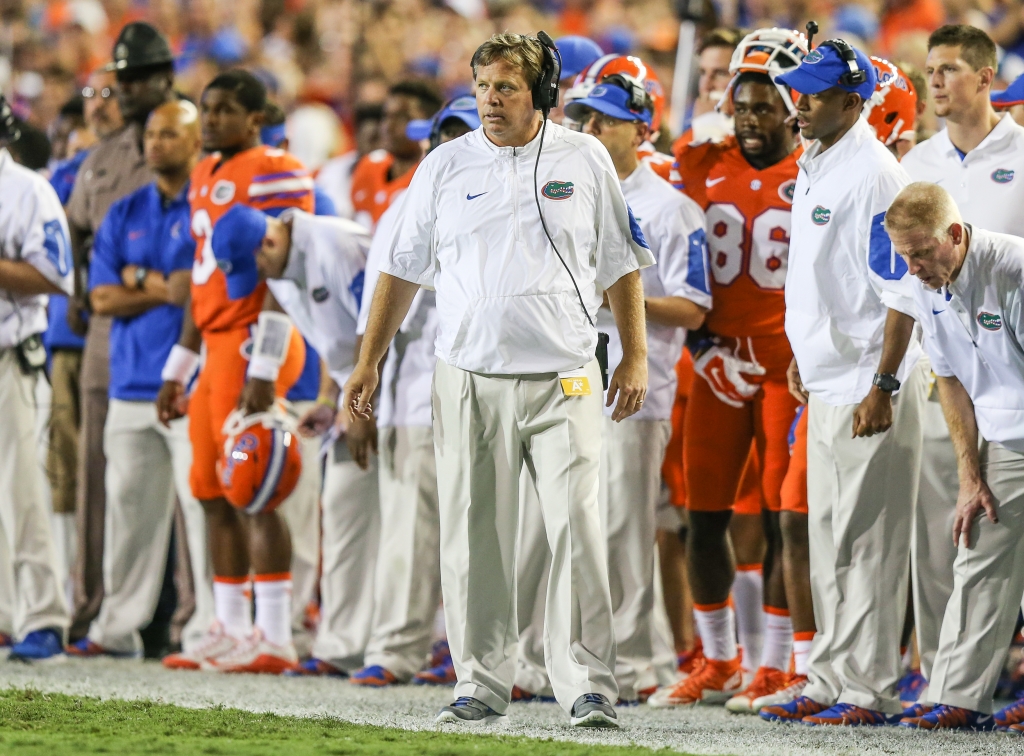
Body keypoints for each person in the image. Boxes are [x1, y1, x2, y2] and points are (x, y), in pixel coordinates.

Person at [345, 32, 652, 727]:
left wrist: (634, 354)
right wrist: (370, 358)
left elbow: (620, 261)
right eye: (483, 86)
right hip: (468, 375)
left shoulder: (586, 156)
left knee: (577, 525)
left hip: (564, 374)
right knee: (472, 531)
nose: (490, 100)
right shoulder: (446, 166)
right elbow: (401, 268)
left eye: (506, 87)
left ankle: (586, 684)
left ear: (543, 93)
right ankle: (482, 680)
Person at [760, 37, 927, 726]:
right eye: (799, 89)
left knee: (869, 542)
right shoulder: (820, 159)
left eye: (816, 93)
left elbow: (900, 293)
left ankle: (869, 686)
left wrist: (884, 385)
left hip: (867, 383)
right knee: (828, 535)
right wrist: (804, 350)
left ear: (853, 104)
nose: (799, 102)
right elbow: (823, 278)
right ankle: (828, 676)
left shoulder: (875, 176)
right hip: (827, 378)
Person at [655, 28, 810, 711]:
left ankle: (774, 664)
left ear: (791, 111)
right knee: (702, 515)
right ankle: (718, 658)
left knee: (782, 517)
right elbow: (679, 267)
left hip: (782, 366)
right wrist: (702, 349)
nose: (748, 118)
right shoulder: (698, 161)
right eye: (740, 106)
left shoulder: (814, 170)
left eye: (763, 107)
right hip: (716, 362)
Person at [156, 69, 313, 673]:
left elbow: (281, 268)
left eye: (226, 110)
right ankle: (231, 623)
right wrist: (179, 366)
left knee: (255, 486)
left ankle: (275, 634)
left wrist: (266, 365)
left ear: (255, 117)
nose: (214, 119)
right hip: (214, 341)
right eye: (207, 109)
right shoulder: (204, 173)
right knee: (209, 487)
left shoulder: (276, 168)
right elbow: (202, 276)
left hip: (254, 340)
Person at [564, 75, 712, 702]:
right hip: (571, 382)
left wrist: (617, 300)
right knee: (573, 527)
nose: (590, 130)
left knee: (626, 529)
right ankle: (584, 658)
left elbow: (695, 306)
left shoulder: (672, 208)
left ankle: (637, 664)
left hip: (636, 388)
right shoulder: (563, 192)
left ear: (641, 130)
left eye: (604, 120)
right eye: (584, 118)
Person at [896, 24, 1024, 721]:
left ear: (984, 76)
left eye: (947, 68)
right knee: (964, 534)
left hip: (1014, 358)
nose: (934, 81)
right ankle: (954, 686)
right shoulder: (917, 163)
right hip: (971, 381)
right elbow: (941, 360)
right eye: (928, 70)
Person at [340, 99, 481, 687]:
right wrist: (361, 398)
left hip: (491, 390)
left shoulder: (514, 200)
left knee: (484, 532)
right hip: (416, 395)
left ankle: (472, 650)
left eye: (460, 137)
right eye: (441, 138)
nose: (448, 148)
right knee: (410, 531)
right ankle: (398, 647)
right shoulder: (407, 206)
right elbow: (376, 311)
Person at [68, 101, 212, 658]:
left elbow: (194, 292)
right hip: (130, 381)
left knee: (199, 512)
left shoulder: (208, 205)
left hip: (191, 381)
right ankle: (116, 629)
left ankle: (204, 633)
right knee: (127, 513)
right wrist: (159, 284)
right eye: (151, 133)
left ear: (195, 141)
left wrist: (138, 280)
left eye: (170, 133)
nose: (156, 143)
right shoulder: (125, 210)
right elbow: (102, 296)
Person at [65, 22, 179, 644]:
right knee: (101, 481)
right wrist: (84, 293)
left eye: (140, 77)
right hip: (109, 342)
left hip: (184, 339)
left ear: (166, 77)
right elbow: (73, 238)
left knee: (190, 492)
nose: (129, 88)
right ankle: (95, 611)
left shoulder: (196, 148)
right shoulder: (99, 160)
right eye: (123, 78)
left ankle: (183, 619)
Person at [0, 94, 73, 661]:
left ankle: (44, 616)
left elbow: (54, 275)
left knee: (23, 491)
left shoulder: (28, 190)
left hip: (10, 357)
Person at [260, 103, 335, 654]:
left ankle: (302, 618)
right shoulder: (239, 205)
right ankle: (268, 621)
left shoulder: (317, 208)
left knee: (299, 503)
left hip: (308, 375)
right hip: (266, 373)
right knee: (262, 499)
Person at [349, 81, 442, 229]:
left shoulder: (433, 177)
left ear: (429, 124)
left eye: (402, 118)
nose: (388, 126)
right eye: (387, 116)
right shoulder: (369, 166)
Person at [315, 103, 383, 221]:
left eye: (379, 139)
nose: (374, 147)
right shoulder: (330, 171)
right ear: (357, 137)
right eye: (370, 138)